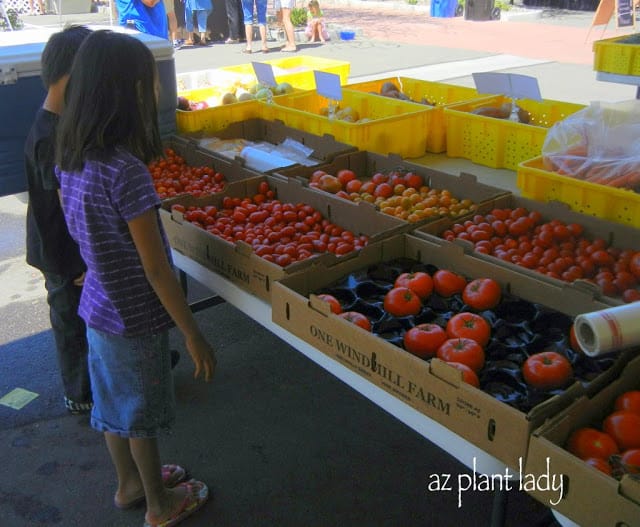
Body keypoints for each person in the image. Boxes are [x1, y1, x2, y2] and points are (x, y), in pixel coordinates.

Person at [55, 30, 216, 526]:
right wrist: (193, 333)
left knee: (112, 405)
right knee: (141, 416)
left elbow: (83, 230)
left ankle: (128, 485)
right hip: (135, 317)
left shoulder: (70, 153)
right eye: (147, 84)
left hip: (98, 308)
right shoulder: (125, 170)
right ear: (125, 92)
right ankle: (158, 505)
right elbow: (155, 268)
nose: (156, 93)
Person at [24, 25, 94, 416]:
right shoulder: (53, 136)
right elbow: (69, 205)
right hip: (62, 250)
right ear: (73, 76)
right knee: (71, 320)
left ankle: (99, 373)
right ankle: (80, 392)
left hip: (56, 244)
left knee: (80, 315)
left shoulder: (49, 121)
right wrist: (88, 256)